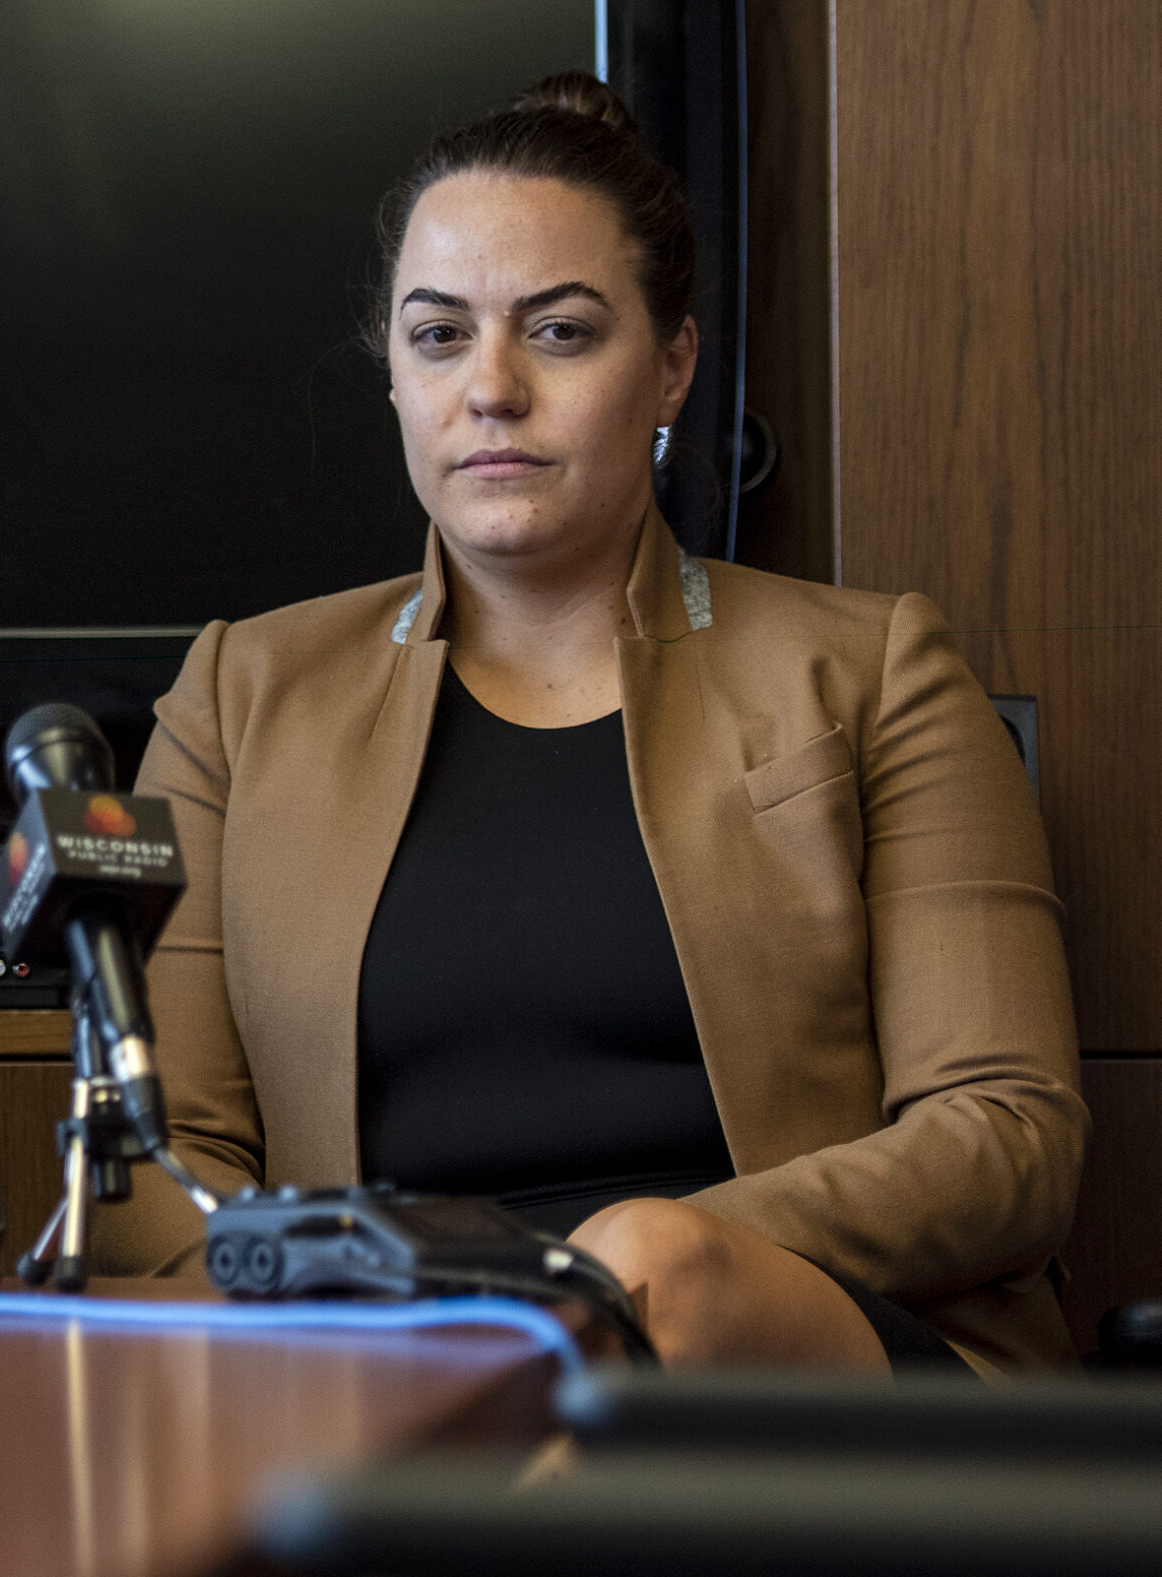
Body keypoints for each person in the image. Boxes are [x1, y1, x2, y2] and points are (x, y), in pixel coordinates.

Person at [103, 74, 1082, 1372]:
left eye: (559, 333)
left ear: (673, 364)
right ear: (393, 376)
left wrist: (598, 1273)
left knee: (652, 1272)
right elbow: (157, 1159)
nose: (491, 387)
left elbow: (1006, 1131)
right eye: (439, 336)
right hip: (387, 1351)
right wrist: (384, 1303)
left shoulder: (876, 668)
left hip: (792, 1337)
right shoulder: (239, 691)